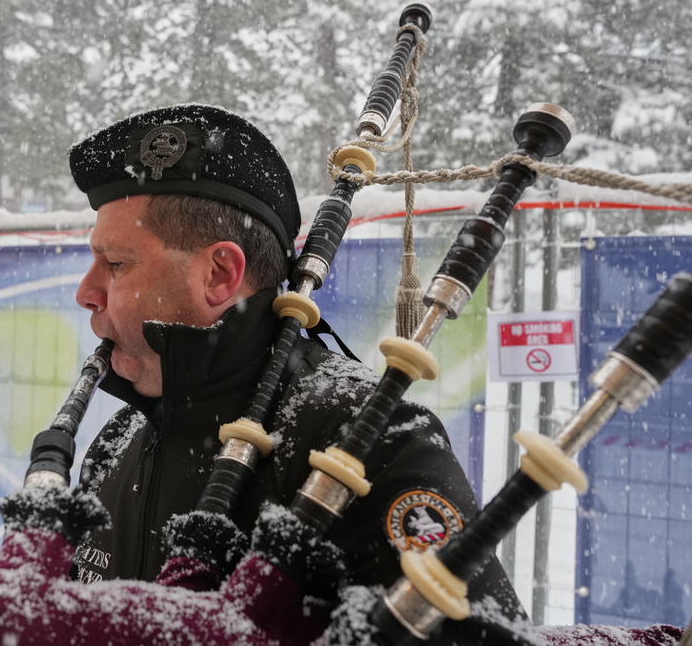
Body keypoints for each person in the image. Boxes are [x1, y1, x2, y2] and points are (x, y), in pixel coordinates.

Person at [68, 104, 527, 641]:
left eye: (116, 263)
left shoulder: (368, 437)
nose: (86, 292)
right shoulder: (117, 441)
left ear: (219, 274)